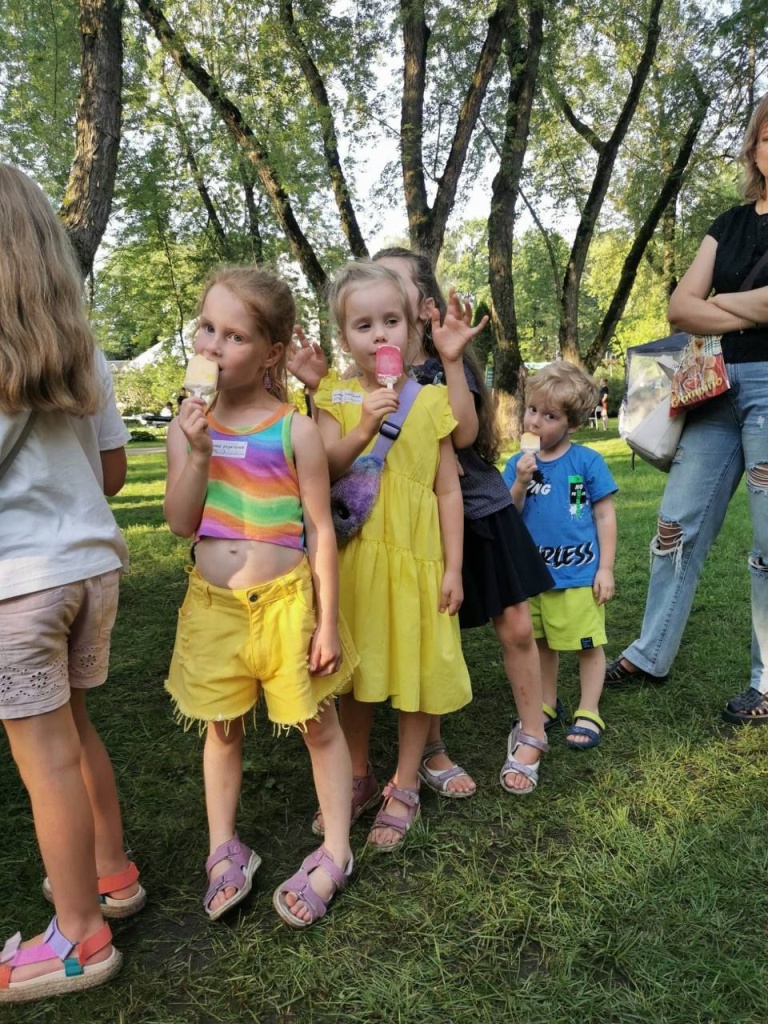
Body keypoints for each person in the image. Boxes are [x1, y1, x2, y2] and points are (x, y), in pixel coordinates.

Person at [163, 266, 356, 928]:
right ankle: (224, 848)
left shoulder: (293, 429)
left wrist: (327, 622)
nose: (214, 347)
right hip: (214, 609)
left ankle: (336, 848)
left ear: (272, 353)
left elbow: (322, 531)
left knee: (316, 723)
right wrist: (195, 453)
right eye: (207, 329)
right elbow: (182, 523)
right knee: (220, 727)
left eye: (235, 336)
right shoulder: (189, 426)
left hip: (287, 606)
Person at [0, 164, 143, 1004]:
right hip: (90, 568)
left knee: (44, 757)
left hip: (18, 583)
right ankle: (110, 873)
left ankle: (80, 938)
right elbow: (113, 470)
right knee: (77, 729)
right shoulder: (79, 348)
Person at [604, 94, 768, 725]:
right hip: (714, 390)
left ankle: (766, 681)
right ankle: (650, 652)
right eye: (765, 137)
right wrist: (749, 304)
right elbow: (680, 308)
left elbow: (704, 306)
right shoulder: (727, 224)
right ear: (754, 148)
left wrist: (720, 302)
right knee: (673, 527)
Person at [373, 249, 554, 795]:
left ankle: (532, 729)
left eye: (397, 290)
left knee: (518, 625)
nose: (386, 303)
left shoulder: (441, 365)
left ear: (424, 307)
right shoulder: (368, 376)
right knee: (427, 637)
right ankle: (431, 749)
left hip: (476, 504)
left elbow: (464, 436)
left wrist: (451, 360)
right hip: (412, 522)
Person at [314, 260, 473, 850]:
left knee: (413, 670)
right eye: (363, 325)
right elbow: (324, 470)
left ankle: (405, 781)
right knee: (355, 676)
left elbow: (448, 487)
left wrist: (454, 567)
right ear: (343, 337)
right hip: (355, 561)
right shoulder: (332, 395)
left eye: (391, 321)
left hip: (416, 561)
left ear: (413, 329)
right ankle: (357, 774)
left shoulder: (431, 402)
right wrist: (361, 424)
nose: (380, 335)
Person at [503, 362, 618, 749]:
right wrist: (520, 481)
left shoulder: (586, 462)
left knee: (587, 643)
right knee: (541, 643)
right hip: (534, 576)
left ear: (572, 425)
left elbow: (604, 515)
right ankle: (546, 703)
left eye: (549, 416)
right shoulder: (515, 465)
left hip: (578, 574)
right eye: (532, 409)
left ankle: (589, 709)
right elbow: (510, 515)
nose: (535, 422)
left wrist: (605, 568)